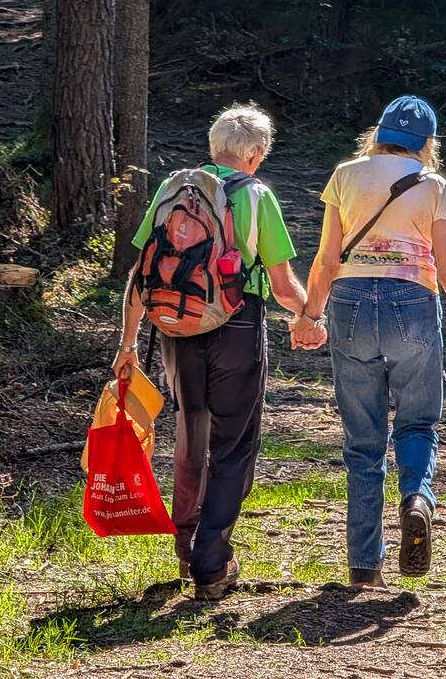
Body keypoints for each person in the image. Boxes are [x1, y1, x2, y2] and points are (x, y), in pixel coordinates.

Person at [113, 103, 307, 601]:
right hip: (237, 324)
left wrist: (128, 341)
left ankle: (185, 544)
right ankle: (211, 561)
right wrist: (310, 315)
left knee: (190, 429)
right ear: (257, 154)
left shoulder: (174, 189)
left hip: (177, 326)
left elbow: (143, 271)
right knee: (233, 443)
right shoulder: (258, 196)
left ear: (213, 146)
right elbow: (283, 285)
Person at [290, 95, 446, 588]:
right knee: (417, 423)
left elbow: (327, 259)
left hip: (350, 301)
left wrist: (311, 315)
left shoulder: (346, 175)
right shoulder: (436, 186)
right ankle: (417, 498)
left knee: (363, 441)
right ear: (427, 143)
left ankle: (364, 567)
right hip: (413, 302)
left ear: (377, 132)